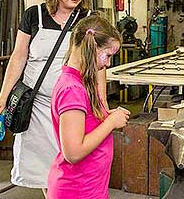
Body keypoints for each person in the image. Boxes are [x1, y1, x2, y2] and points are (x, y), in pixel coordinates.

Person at [0, 0, 103, 196]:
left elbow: (98, 64)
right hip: (37, 106)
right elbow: (19, 57)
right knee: (43, 167)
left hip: (73, 107)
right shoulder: (34, 15)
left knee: (72, 162)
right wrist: (2, 97)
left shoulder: (89, 19)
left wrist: (100, 102)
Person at [47, 15, 130, 199]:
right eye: (108, 56)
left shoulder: (82, 82)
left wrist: (105, 116)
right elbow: (73, 153)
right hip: (77, 190)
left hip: (89, 187)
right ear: (92, 47)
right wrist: (110, 123)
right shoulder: (72, 90)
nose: (108, 63)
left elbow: (87, 124)